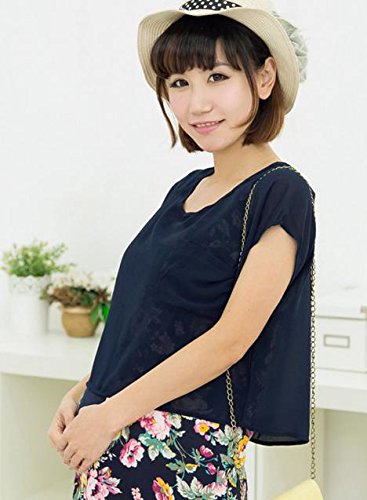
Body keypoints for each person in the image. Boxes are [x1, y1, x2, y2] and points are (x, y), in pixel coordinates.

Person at [47, 1, 316, 498]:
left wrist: (108, 413)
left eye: (217, 77)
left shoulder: (280, 193)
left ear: (264, 78)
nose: (197, 104)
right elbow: (152, 326)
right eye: (179, 83)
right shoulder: (186, 190)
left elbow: (230, 341)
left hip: (178, 453)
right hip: (112, 440)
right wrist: (85, 391)